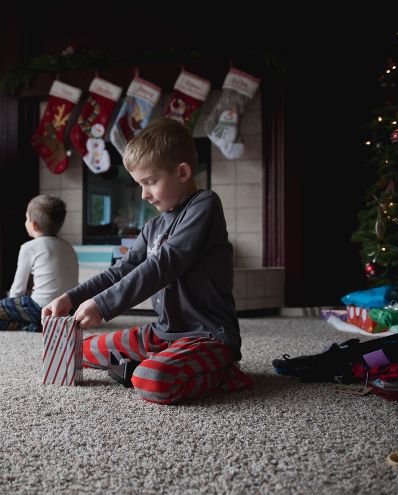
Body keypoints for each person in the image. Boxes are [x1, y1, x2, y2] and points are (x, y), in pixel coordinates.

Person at [42, 117, 253, 404]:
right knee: (80, 349)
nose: (143, 194)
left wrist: (103, 306)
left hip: (209, 337)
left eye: (150, 182)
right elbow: (120, 272)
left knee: (150, 380)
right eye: (140, 184)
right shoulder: (152, 227)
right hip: (163, 333)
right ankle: (161, 357)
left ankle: (226, 373)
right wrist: (71, 297)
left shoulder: (204, 205)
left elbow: (164, 265)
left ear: (182, 172)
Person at [0, 195, 78, 332]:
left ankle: (34, 326)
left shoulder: (29, 247)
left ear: (34, 225)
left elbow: (18, 290)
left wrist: (11, 304)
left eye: (26, 218)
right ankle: (50, 323)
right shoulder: (68, 247)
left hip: (40, 308)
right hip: (68, 311)